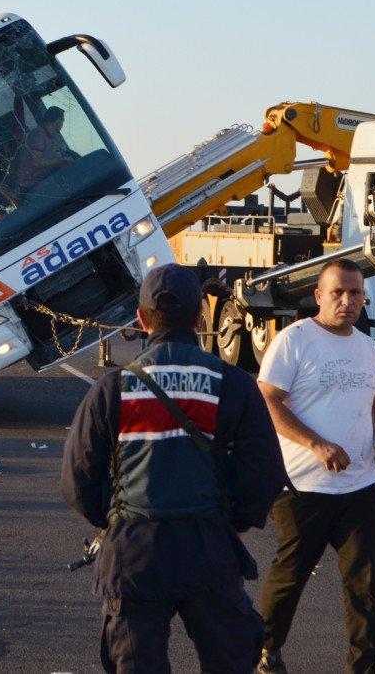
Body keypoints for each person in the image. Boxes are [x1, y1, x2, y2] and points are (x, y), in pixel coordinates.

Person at [62, 263, 288, 673]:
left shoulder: (112, 389)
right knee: (230, 660)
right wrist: (231, 521)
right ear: (200, 316)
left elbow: (78, 480)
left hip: (134, 553)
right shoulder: (233, 383)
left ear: (141, 318)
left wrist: (116, 517)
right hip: (209, 547)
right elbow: (263, 472)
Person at [255, 258, 375, 674]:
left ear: (364, 298)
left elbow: (374, 403)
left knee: (366, 589)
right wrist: (317, 444)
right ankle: (264, 650)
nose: (347, 301)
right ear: (319, 296)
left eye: (355, 293)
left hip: (360, 488)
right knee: (289, 579)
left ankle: (363, 668)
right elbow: (267, 400)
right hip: (302, 488)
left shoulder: (366, 346)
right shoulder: (294, 340)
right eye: (338, 293)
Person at [13, 106, 74, 192]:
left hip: (42, 180)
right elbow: (37, 162)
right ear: (58, 121)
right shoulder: (38, 135)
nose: (62, 125)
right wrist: (63, 159)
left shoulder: (50, 136)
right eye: (62, 122)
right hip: (30, 187)